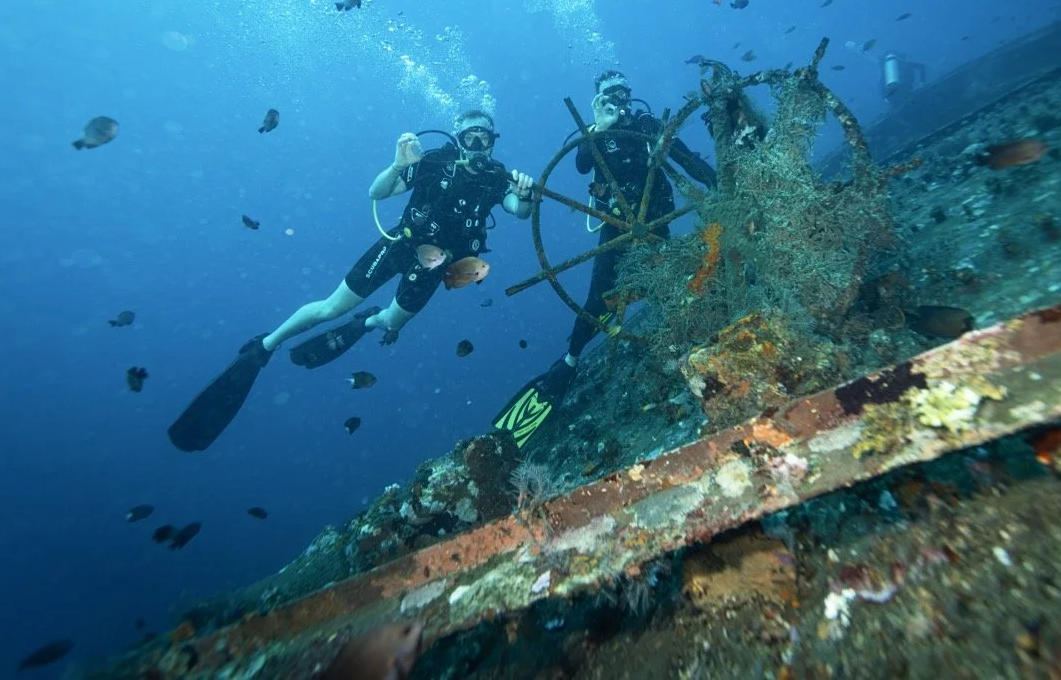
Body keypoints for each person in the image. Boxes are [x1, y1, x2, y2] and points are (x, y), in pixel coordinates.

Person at [169, 109, 534, 452]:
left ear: (492, 142)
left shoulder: (497, 177)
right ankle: (264, 347)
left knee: (392, 322)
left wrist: (526, 194)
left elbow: (519, 211)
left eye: (483, 139)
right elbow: (377, 192)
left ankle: (369, 321)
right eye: (468, 137)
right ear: (457, 139)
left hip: (436, 267)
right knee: (331, 307)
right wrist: (397, 165)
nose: (475, 146)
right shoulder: (433, 162)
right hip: (400, 245)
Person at [493, 71, 716, 449]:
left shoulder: (647, 125)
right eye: (609, 95)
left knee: (670, 279)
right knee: (598, 297)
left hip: (655, 220)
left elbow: (686, 158)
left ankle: (686, 339)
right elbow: (581, 163)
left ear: (631, 95)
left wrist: (718, 183)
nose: (618, 101)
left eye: (622, 93)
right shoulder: (597, 132)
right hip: (617, 225)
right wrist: (601, 126)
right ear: (598, 100)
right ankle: (569, 361)